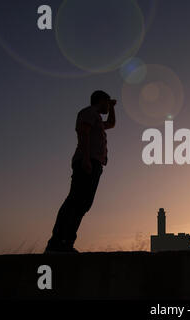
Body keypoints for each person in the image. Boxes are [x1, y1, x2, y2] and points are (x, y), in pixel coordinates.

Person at [44, 90, 116, 253]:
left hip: (94, 163)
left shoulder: (97, 118)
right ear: (101, 100)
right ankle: (57, 243)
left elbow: (111, 123)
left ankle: (65, 243)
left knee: (82, 204)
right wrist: (85, 158)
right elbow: (82, 133)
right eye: (107, 101)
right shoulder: (89, 112)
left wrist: (112, 107)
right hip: (87, 161)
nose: (108, 104)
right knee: (75, 201)